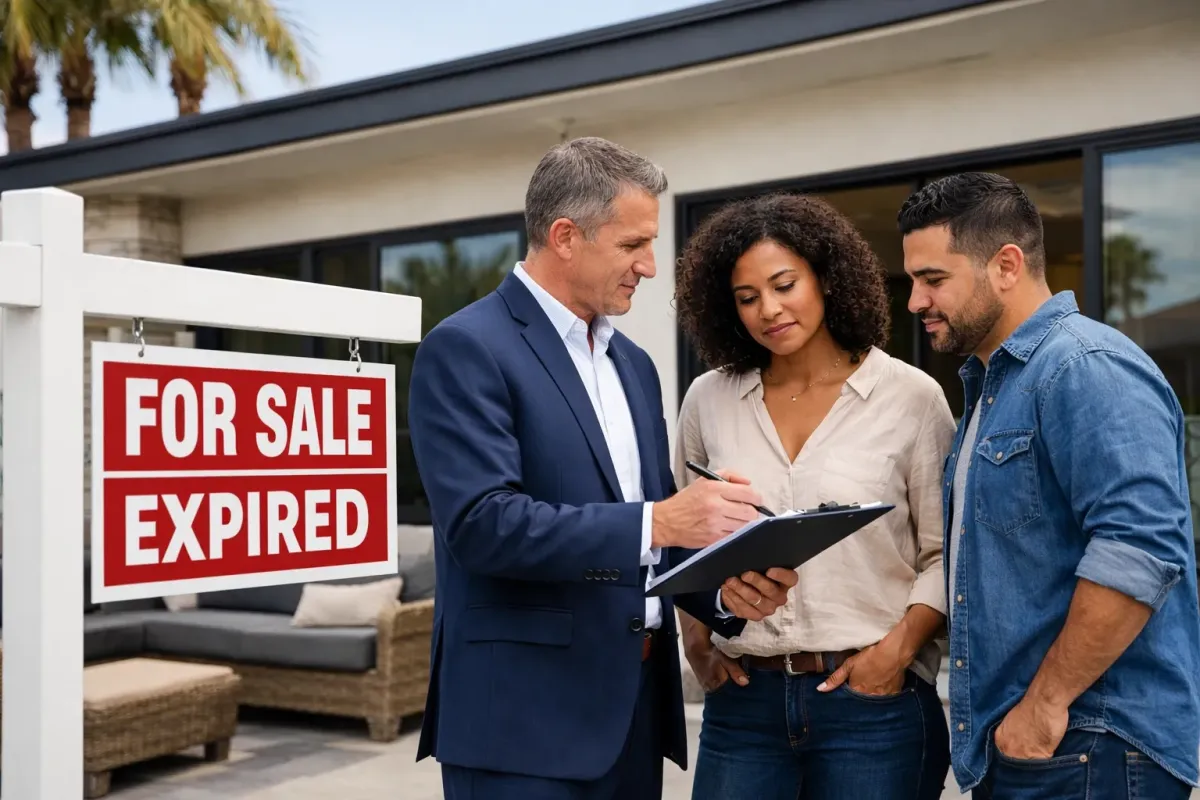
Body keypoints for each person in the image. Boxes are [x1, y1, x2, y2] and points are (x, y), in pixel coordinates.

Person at [406, 136, 798, 800]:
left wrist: (725, 594)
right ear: (564, 236)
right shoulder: (465, 348)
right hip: (521, 732)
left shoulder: (634, 367)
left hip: (634, 719)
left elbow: (657, 536)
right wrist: (661, 519)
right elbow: (482, 525)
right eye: (632, 245)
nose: (650, 266)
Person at [899, 171, 1200, 799]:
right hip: (1035, 748)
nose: (915, 302)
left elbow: (1139, 551)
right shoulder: (992, 384)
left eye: (933, 280)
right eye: (913, 282)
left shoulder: (1086, 367)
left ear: (1006, 265)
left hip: (1092, 746)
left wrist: (1044, 706)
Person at [672, 192, 955, 800]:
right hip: (743, 706)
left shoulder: (911, 397)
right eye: (746, 298)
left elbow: (947, 555)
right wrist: (696, 643)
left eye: (783, 285)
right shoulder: (707, 401)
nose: (767, 310)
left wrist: (896, 653)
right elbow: (685, 543)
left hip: (871, 705)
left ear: (826, 278)